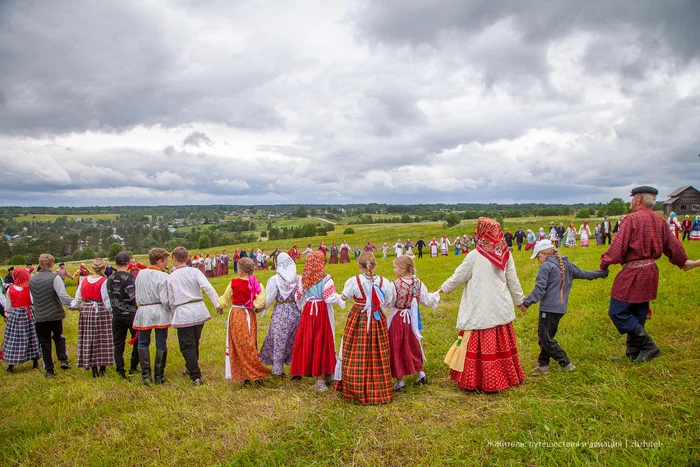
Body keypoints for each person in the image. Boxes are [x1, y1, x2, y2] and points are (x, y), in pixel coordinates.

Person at [600, 186, 698, 363]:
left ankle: (648, 347)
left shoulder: (631, 219)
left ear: (637, 200)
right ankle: (633, 353)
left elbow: (617, 248)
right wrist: (682, 261)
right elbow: (673, 246)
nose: (631, 202)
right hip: (650, 271)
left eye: (632, 199)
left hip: (633, 272)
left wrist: (604, 263)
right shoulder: (660, 220)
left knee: (617, 311)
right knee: (638, 311)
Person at [439, 218, 526, 393]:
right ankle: (504, 377)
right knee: (499, 343)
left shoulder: (474, 255)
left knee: (477, 341)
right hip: (500, 307)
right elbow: (513, 281)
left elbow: (458, 276)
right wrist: (519, 301)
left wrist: (443, 288)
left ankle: (479, 380)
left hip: (480, 307)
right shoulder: (505, 253)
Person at [523, 240, 608, 373]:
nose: (538, 260)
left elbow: (540, 289)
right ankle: (543, 364)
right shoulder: (567, 265)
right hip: (560, 309)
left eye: (538, 256)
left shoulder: (545, 267)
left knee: (545, 338)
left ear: (545, 253)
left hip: (548, 309)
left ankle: (566, 363)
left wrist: (526, 302)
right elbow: (585, 274)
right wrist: (601, 273)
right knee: (547, 337)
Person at [335, 252, 396, 404]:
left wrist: (332, 296)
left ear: (359, 266)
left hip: (358, 316)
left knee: (355, 350)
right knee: (377, 350)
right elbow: (388, 300)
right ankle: (379, 388)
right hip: (377, 317)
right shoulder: (384, 281)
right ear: (374, 265)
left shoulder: (353, 281)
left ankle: (354, 387)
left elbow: (344, 296)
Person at [167, 247, 222, 386]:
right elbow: (208, 287)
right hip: (198, 310)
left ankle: (195, 375)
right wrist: (217, 304)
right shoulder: (195, 271)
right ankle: (191, 367)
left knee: (187, 345)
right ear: (187, 258)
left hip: (184, 310)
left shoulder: (171, 277)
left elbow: (171, 298)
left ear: (174, 258)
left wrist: (174, 313)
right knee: (194, 341)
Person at [290, 251, 345, 391]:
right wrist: (341, 299)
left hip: (309, 312)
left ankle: (325, 374)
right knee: (323, 340)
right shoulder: (326, 279)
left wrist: (305, 304)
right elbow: (329, 297)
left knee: (312, 340)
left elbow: (298, 296)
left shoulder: (304, 279)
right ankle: (324, 377)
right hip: (322, 311)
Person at [387, 255, 439, 390]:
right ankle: (420, 373)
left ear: (403, 269)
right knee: (413, 344)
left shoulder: (394, 284)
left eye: (395, 267)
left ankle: (400, 381)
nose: (394, 270)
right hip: (411, 319)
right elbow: (426, 300)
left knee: (396, 346)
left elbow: (389, 302)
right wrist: (436, 294)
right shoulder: (418, 283)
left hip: (398, 318)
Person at [218, 257, 270, 385]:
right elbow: (261, 300)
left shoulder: (233, 283)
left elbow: (225, 298)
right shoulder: (256, 284)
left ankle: (248, 375)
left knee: (239, 344)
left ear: (240, 270)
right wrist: (255, 307)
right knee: (249, 342)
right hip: (248, 315)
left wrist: (220, 306)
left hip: (236, 315)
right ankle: (251, 374)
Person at [28, 255, 74, 378]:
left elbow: (32, 299)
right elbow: (62, 295)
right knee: (59, 337)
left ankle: (49, 370)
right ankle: (63, 360)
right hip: (55, 315)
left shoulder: (32, 280)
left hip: (40, 316)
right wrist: (74, 304)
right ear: (52, 264)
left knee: (44, 342)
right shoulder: (55, 278)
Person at [259, 253, 303, 377]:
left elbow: (269, 298)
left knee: (279, 340)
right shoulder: (299, 279)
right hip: (295, 311)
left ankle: (278, 370)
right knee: (295, 340)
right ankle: (296, 370)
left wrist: (261, 309)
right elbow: (301, 297)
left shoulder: (274, 279)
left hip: (280, 312)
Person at [70, 258, 114, 378]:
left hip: (87, 310)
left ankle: (94, 368)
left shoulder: (84, 281)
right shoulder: (104, 281)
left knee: (90, 338)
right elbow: (106, 300)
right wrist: (112, 312)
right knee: (103, 338)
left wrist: (75, 306)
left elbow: (78, 298)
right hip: (101, 311)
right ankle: (102, 368)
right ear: (103, 268)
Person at [134, 249, 172, 384]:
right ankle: (159, 377)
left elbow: (136, 293)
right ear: (159, 261)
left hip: (144, 310)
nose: (167, 263)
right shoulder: (163, 276)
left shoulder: (140, 274)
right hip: (159, 309)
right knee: (161, 342)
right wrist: (170, 309)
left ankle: (146, 377)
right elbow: (164, 298)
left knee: (143, 342)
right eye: (165, 260)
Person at [107, 252, 139, 379]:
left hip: (116, 314)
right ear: (128, 263)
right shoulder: (129, 277)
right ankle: (133, 366)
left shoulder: (110, 278)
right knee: (137, 340)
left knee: (118, 343)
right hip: (130, 314)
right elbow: (132, 296)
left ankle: (120, 370)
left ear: (116, 263)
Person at [2, 267, 41, 373]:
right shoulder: (28, 288)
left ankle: (11, 364)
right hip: (29, 314)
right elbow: (32, 301)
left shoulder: (11, 289)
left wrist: (7, 315)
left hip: (16, 315)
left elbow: (8, 304)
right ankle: (35, 361)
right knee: (32, 336)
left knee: (14, 338)